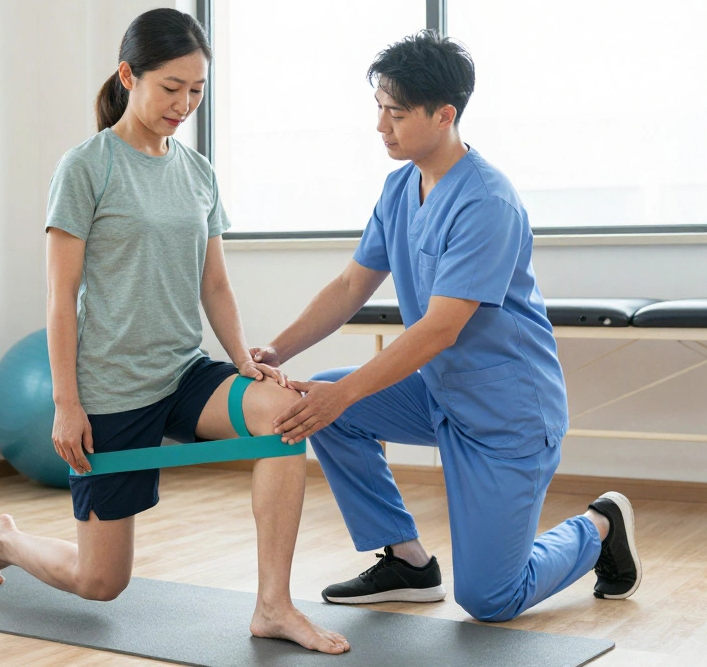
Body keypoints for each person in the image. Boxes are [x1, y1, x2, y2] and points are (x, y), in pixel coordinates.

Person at [0, 8, 349, 655]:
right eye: (171, 87)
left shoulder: (197, 172)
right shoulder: (87, 167)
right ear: (127, 75)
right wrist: (66, 403)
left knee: (286, 414)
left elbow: (215, 285)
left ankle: (273, 607)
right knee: (101, 581)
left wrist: (244, 362)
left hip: (183, 372)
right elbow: (60, 297)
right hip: (110, 386)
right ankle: (6, 540)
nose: (184, 103)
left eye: (196, 90)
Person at [250, 31, 641, 622]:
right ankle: (407, 562)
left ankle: (599, 527)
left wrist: (344, 395)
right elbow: (354, 285)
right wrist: (276, 351)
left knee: (491, 599)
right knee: (315, 401)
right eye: (378, 108)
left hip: (505, 414)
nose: (381, 126)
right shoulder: (401, 185)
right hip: (439, 393)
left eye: (396, 113)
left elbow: (439, 329)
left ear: (444, 115)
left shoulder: (487, 201)